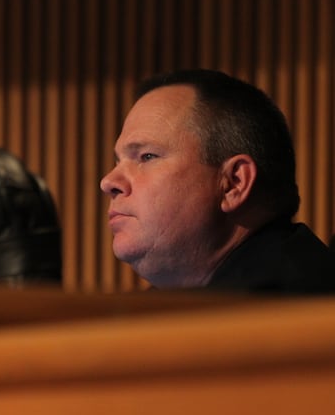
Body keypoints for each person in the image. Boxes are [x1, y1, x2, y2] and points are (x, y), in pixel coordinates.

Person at [100, 68, 335, 292]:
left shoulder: (288, 315)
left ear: (234, 183)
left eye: (147, 156)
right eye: (118, 161)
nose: (108, 182)